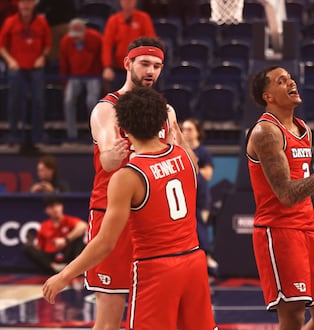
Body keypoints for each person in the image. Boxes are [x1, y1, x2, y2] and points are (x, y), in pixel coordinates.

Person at [43, 86, 218, 330]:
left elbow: (105, 243)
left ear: (121, 129)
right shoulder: (184, 157)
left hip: (157, 268)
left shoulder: (129, 176)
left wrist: (64, 276)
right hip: (194, 263)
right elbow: (193, 165)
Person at [78, 36, 176, 330]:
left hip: (151, 221)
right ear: (128, 63)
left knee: (152, 317)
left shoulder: (166, 112)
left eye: (157, 66)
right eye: (145, 63)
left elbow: (182, 158)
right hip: (112, 217)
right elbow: (107, 161)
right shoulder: (107, 109)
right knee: (108, 319)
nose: (151, 71)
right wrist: (116, 152)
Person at [246, 66, 314, 329]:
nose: (291, 83)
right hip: (279, 231)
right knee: (292, 318)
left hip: (308, 228)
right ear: (268, 96)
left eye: (290, 79)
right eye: (281, 81)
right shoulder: (266, 133)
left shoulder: (303, 129)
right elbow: (286, 195)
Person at [0, 0, 51, 147]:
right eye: (23, 3)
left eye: (28, 3)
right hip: (16, 68)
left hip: (36, 67)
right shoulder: (10, 21)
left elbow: (47, 45)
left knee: (39, 101)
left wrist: (42, 57)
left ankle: (38, 135)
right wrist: (10, 61)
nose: (26, 6)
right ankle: (14, 134)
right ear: (19, 5)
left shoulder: (41, 22)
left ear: (33, 5)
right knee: (14, 101)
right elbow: (1, 45)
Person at [181, 118, 218, 273]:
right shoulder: (179, 150)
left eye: (190, 129)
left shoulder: (203, 152)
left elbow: (208, 174)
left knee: (200, 229)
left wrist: (190, 168)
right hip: (184, 198)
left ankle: (208, 263)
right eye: (184, 129)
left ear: (197, 132)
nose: (186, 132)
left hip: (200, 198)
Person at [60, 18, 103, 141]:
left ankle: (95, 135)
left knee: (92, 102)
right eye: (73, 36)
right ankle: (71, 135)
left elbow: (102, 58)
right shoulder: (66, 41)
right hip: (74, 76)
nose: (76, 39)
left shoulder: (96, 38)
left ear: (85, 32)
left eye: (78, 36)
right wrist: (64, 83)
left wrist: (102, 79)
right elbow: (64, 64)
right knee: (68, 100)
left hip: (93, 75)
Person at [24, 195, 87, 274]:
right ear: (46, 210)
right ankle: (54, 268)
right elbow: (40, 248)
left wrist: (65, 240)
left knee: (79, 236)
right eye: (51, 207)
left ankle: (72, 267)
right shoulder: (44, 226)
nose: (55, 209)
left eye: (57, 205)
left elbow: (83, 226)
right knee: (28, 248)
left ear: (62, 207)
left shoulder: (69, 220)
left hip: (68, 254)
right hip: (52, 258)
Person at [102, 0, 156, 91]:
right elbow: (107, 45)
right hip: (118, 68)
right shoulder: (113, 20)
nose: (127, 2)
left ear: (135, 2)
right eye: (125, 1)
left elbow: (151, 42)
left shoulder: (143, 18)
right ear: (120, 2)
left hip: (139, 68)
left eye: (130, 1)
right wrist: (107, 67)